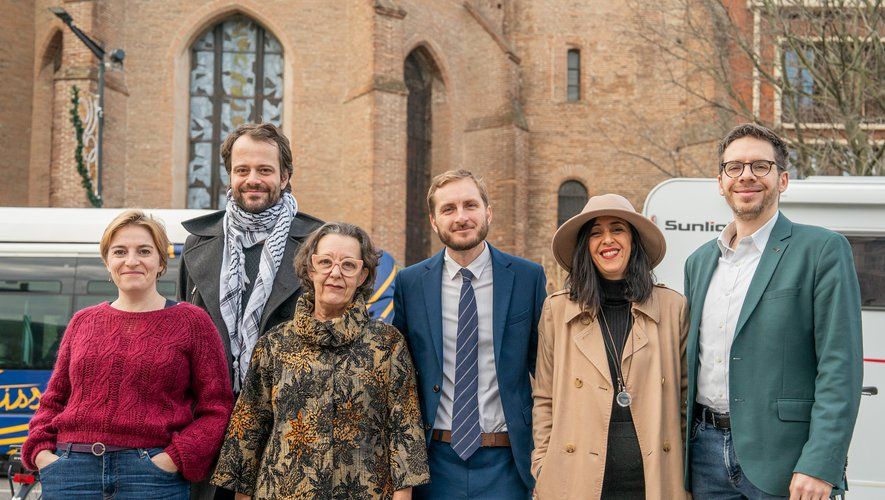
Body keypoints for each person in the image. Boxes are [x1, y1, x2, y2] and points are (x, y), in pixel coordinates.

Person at [684, 123, 863, 499]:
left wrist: (820, 462)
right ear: (720, 182)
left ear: (782, 180)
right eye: (734, 167)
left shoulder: (822, 250)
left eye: (760, 166)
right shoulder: (699, 262)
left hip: (785, 461)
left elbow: (839, 366)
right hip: (703, 457)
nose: (746, 175)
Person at [21, 210, 233, 499]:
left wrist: (174, 458)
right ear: (108, 262)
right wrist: (42, 453)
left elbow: (217, 407)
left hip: (152, 476)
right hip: (71, 473)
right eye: (120, 251)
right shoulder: (84, 321)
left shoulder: (192, 322)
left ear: (161, 261)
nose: (131, 261)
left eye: (144, 251)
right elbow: (54, 399)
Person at [211, 222, 430, 499]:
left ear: (362, 275)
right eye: (325, 262)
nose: (335, 273)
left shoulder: (387, 344)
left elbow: (405, 429)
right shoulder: (275, 344)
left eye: (348, 265)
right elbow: (248, 430)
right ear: (310, 268)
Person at [393, 170, 547, 499]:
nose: (461, 217)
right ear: (434, 221)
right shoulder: (410, 283)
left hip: (507, 460)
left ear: (487, 212)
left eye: (470, 205)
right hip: (434, 462)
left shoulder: (527, 277)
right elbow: (401, 375)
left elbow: (545, 373)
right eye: (448, 209)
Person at [532, 194, 689, 499]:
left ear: (633, 241)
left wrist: (681, 467)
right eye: (595, 233)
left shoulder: (672, 307)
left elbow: (685, 397)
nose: (607, 240)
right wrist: (541, 463)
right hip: (576, 477)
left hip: (655, 478)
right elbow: (543, 397)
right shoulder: (558, 310)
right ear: (585, 247)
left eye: (618, 229)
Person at [179, 123, 323, 398]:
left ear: (284, 177)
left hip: (290, 415)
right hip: (214, 413)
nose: (252, 179)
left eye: (265, 170)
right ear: (231, 176)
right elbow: (183, 339)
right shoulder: (197, 244)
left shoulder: (317, 245)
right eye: (242, 170)